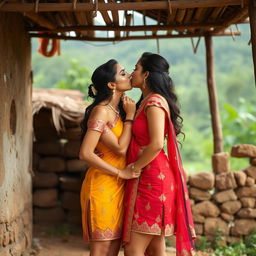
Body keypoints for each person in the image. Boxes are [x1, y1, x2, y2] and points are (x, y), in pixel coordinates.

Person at [122, 53, 196, 256]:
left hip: (153, 179)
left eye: (135, 68)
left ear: (146, 74)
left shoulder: (154, 102)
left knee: (133, 248)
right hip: (149, 176)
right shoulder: (144, 102)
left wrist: (134, 167)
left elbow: (155, 144)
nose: (131, 73)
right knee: (155, 249)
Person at [79, 59, 141, 256]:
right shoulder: (101, 111)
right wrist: (120, 173)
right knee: (102, 248)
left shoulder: (117, 110)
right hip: (103, 185)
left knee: (113, 247)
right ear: (111, 85)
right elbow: (85, 153)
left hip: (119, 186)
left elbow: (119, 147)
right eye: (123, 73)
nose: (129, 75)